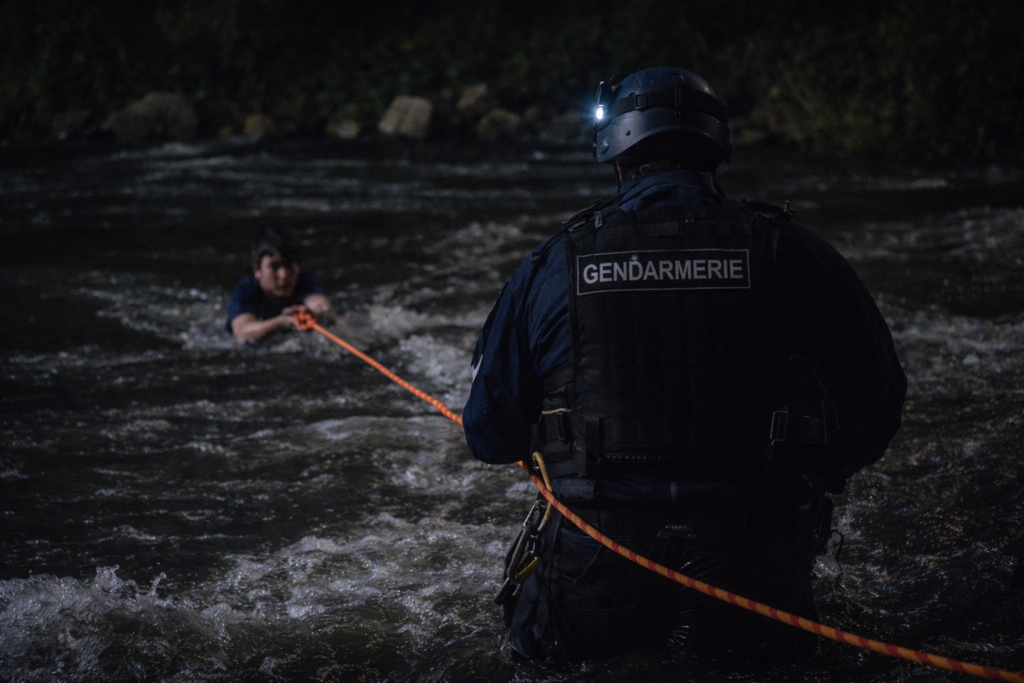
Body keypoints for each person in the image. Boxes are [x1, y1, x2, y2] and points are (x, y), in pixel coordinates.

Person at [463, 67, 907, 665]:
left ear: (616, 154)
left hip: (597, 557)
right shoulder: (797, 254)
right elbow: (877, 406)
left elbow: (489, 432)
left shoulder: (551, 265)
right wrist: (807, 476)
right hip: (755, 555)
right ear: (714, 151)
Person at [227, 229, 336, 342]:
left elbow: (323, 307)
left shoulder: (306, 281)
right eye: (274, 267)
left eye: (289, 265)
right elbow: (242, 332)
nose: (284, 275)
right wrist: (281, 321)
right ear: (257, 271)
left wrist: (312, 313)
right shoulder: (244, 290)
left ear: (297, 266)